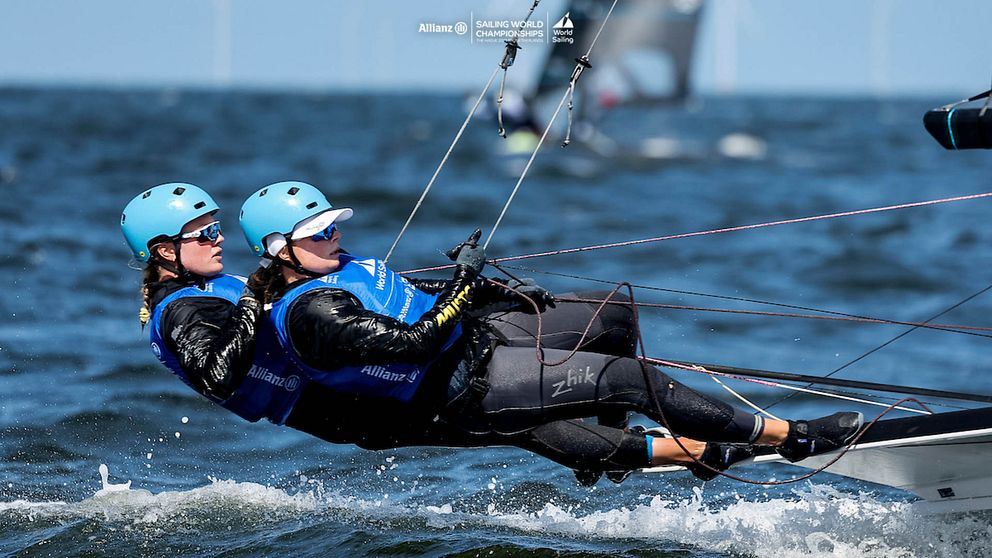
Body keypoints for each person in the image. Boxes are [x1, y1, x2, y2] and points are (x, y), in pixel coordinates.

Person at [237, 180, 865, 484]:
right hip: (459, 385)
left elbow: (412, 301)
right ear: (280, 249)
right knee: (630, 379)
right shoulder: (312, 313)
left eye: (335, 225)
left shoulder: (340, 268)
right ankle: (795, 437)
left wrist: (487, 290)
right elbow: (416, 343)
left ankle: (609, 444)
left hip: (476, 339)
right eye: (320, 233)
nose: (335, 237)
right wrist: (462, 287)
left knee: (612, 316)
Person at [121, 183, 303, 425]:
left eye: (216, 228)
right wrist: (250, 303)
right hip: (325, 404)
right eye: (206, 233)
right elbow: (217, 377)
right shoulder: (182, 311)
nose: (220, 238)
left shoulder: (202, 289)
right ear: (166, 251)